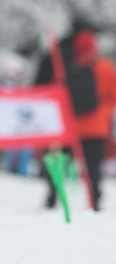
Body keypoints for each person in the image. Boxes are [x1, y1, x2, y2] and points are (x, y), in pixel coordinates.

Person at [44, 30, 116, 211]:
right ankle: (95, 202)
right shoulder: (105, 68)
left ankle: (52, 200)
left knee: (59, 164)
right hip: (96, 128)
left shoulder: (65, 69)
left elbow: (55, 96)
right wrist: (104, 112)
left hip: (69, 128)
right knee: (93, 170)